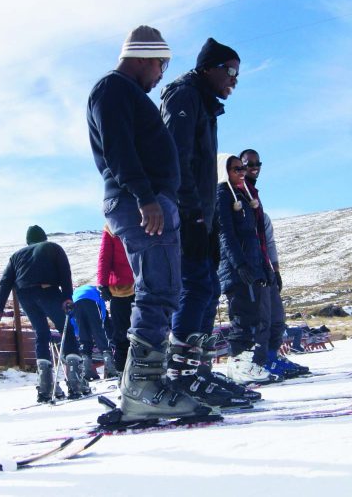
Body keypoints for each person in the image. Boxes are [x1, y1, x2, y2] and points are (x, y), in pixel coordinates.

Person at [86, 25, 212, 423]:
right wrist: (144, 197)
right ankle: (142, 387)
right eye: (161, 64)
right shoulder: (113, 89)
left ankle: (149, 381)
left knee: (166, 288)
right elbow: (118, 147)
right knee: (156, 288)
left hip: (151, 201)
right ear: (143, 56)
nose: (161, 74)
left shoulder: (126, 93)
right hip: (141, 202)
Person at [159, 38, 249, 407]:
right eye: (230, 72)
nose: (234, 80)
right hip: (187, 211)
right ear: (209, 67)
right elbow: (174, 157)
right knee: (195, 288)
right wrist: (191, 209)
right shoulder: (183, 97)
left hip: (202, 212)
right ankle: (180, 377)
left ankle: (198, 372)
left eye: (238, 75)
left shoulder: (204, 103)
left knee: (209, 289)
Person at [0, 225, 88, 401]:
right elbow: (66, 273)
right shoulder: (53, 248)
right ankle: (75, 381)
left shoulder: (15, 256)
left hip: (25, 296)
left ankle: (46, 385)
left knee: (41, 334)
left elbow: (5, 282)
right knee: (65, 330)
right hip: (48, 291)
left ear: (28, 241)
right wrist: (67, 297)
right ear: (44, 238)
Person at [240, 149, 308, 379]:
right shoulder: (234, 197)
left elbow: (268, 240)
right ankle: (261, 361)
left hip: (266, 267)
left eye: (258, 164)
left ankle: (272, 355)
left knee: (277, 318)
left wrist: (275, 270)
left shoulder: (257, 203)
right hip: (252, 268)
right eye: (248, 164)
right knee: (262, 320)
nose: (254, 168)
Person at [217, 156, 274, 384]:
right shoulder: (223, 194)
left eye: (243, 168)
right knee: (242, 316)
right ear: (224, 170)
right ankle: (240, 364)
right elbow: (225, 233)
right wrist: (239, 264)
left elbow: (255, 236)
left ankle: (242, 365)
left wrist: (263, 267)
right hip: (237, 268)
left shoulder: (242, 195)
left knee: (251, 315)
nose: (242, 172)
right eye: (236, 169)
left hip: (251, 265)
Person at [96, 224, 135, 374]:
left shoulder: (112, 225)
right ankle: (124, 373)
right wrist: (103, 283)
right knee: (127, 333)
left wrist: (103, 284)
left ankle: (124, 373)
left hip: (125, 288)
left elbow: (104, 257)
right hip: (129, 287)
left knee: (122, 334)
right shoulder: (110, 227)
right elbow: (104, 257)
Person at [70, 284, 118, 379]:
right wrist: (102, 322)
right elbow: (102, 308)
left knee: (84, 340)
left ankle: (87, 372)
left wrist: (78, 332)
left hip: (76, 304)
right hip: (92, 301)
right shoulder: (94, 290)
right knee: (101, 338)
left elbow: (72, 318)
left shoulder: (73, 293)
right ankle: (111, 370)